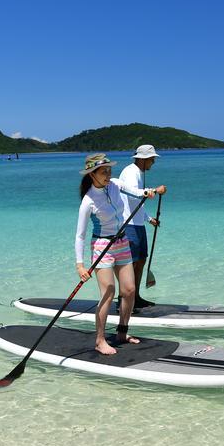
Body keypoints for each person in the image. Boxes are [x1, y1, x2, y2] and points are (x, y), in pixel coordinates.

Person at [75, 153, 166, 355]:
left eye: (109, 170)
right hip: (102, 246)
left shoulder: (115, 184)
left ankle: (122, 333)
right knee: (108, 293)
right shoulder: (88, 201)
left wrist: (149, 192)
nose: (108, 174)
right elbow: (80, 236)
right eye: (103, 171)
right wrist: (80, 265)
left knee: (129, 290)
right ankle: (99, 340)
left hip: (122, 242)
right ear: (92, 174)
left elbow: (134, 191)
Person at [118, 144, 165, 308]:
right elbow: (132, 195)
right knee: (130, 263)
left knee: (141, 260)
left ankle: (135, 298)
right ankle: (124, 299)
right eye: (152, 159)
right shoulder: (131, 172)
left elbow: (137, 203)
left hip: (137, 223)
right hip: (128, 224)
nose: (153, 162)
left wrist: (148, 218)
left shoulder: (138, 172)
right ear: (143, 159)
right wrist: (154, 191)